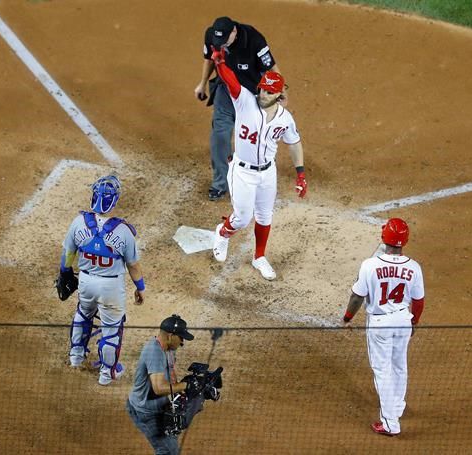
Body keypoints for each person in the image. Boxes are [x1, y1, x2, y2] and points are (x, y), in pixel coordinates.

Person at [209, 46, 307, 281]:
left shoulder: (285, 119)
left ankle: (259, 256)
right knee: (242, 218)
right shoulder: (245, 101)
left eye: (268, 92)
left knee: (264, 216)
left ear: (278, 94)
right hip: (242, 171)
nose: (262, 94)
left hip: (267, 173)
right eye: (262, 89)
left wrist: (300, 175)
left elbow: (294, 144)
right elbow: (232, 83)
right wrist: (220, 64)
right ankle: (222, 233)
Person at [59, 175, 146, 386]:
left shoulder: (78, 222)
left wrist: (65, 272)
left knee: (83, 313)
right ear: (114, 201)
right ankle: (107, 374)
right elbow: (133, 265)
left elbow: (68, 253)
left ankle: (76, 356)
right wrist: (140, 287)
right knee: (112, 328)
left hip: (86, 283)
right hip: (111, 287)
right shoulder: (124, 231)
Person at [342, 218, 425, 436]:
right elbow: (418, 302)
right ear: (404, 240)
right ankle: (397, 407)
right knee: (399, 365)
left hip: (380, 324)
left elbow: (357, 296)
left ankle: (390, 423)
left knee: (382, 370)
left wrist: (348, 316)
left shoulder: (370, 265)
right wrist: (413, 322)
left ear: (384, 238)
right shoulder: (414, 267)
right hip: (403, 321)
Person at [194, 16, 280, 201]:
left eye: (224, 40)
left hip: (252, 94)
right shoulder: (212, 37)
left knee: (255, 138)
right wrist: (202, 84)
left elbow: (271, 68)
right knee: (220, 134)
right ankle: (220, 183)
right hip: (226, 91)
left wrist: (275, 94)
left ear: (234, 32)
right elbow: (209, 60)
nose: (221, 45)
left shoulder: (254, 39)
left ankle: (261, 179)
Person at [126, 314, 195, 455]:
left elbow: (169, 379)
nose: (182, 342)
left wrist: (184, 389)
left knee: (171, 440)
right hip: (145, 410)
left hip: (157, 406)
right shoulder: (155, 351)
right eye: (181, 337)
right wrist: (186, 385)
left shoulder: (169, 350)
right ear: (170, 336)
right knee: (168, 451)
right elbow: (158, 388)